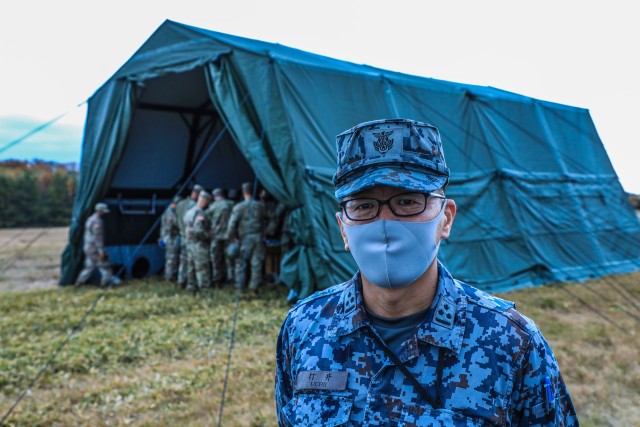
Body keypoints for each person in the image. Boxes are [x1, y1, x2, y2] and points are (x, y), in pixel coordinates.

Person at [275, 119, 578, 426]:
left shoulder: (512, 342)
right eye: (364, 205)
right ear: (343, 228)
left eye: (407, 201)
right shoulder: (303, 328)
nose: (384, 222)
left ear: (445, 219)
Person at [225, 182, 266, 294]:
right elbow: (266, 220)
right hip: (258, 237)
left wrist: (231, 237)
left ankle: (240, 288)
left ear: (243, 192)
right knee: (256, 263)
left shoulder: (239, 207)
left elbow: (232, 224)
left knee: (241, 263)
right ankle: (253, 287)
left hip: (245, 238)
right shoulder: (260, 206)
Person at [76, 202, 120, 286]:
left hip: (88, 247)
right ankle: (106, 283)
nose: (105, 213)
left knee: (89, 266)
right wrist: (101, 252)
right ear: (99, 211)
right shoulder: (98, 222)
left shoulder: (90, 219)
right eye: (103, 211)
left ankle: (79, 282)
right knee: (105, 266)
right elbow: (97, 238)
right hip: (94, 248)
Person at [184, 190, 212, 293]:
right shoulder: (200, 213)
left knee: (190, 267)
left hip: (189, 243)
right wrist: (207, 235)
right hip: (199, 244)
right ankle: (204, 290)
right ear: (205, 201)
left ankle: (191, 288)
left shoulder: (189, 212)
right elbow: (198, 230)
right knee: (202, 267)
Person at [175, 184, 203, 288]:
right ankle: (192, 283)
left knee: (182, 260)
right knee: (191, 261)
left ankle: (181, 280)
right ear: (197, 194)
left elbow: (175, 221)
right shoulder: (194, 207)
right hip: (190, 237)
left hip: (181, 236)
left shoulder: (180, 204)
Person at [206, 188, 235, 287]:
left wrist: (209, 231)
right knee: (229, 258)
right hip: (228, 235)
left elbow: (205, 219)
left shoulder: (212, 206)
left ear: (215, 196)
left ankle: (217, 280)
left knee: (216, 259)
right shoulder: (231, 204)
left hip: (216, 236)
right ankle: (231, 278)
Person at [159, 196, 181, 281]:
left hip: (166, 238)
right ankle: (170, 278)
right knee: (171, 260)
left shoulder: (168, 211)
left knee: (170, 259)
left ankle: (170, 277)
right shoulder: (170, 212)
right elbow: (170, 227)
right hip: (170, 238)